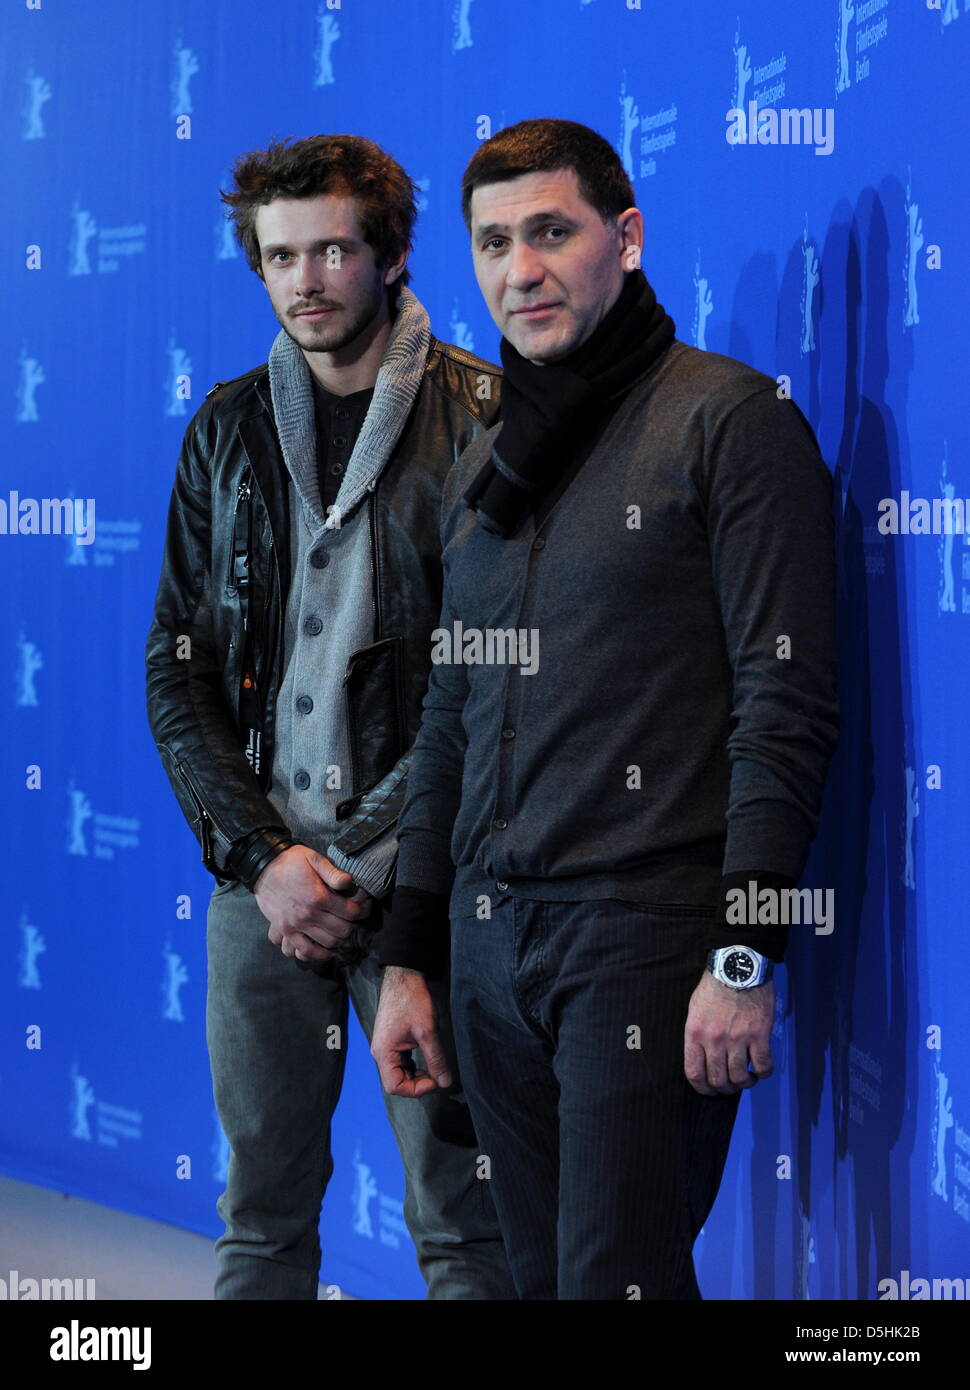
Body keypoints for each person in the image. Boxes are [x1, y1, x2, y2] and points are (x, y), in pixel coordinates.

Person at [369, 118, 840, 1300]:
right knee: (535, 1284)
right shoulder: (487, 463)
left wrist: (744, 953)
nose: (517, 270)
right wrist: (410, 958)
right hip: (487, 949)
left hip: (641, 937)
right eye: (490, 243)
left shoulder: (729, 423)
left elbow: (784, 703)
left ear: (624, 239)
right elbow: (447, 725)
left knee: (610, 1284)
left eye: (549, 232)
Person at [145, 133, 513, 1300]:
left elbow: (492, 682)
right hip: (262, 890)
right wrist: (263, 859)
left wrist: (350, 866)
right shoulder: (224, 429)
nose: (303, 279)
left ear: (393, 253)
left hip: (428, 891)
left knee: (462, 1226)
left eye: (331, 251)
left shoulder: (489, 420)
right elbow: (178, 670)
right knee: (259, 1214)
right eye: (279, 255)